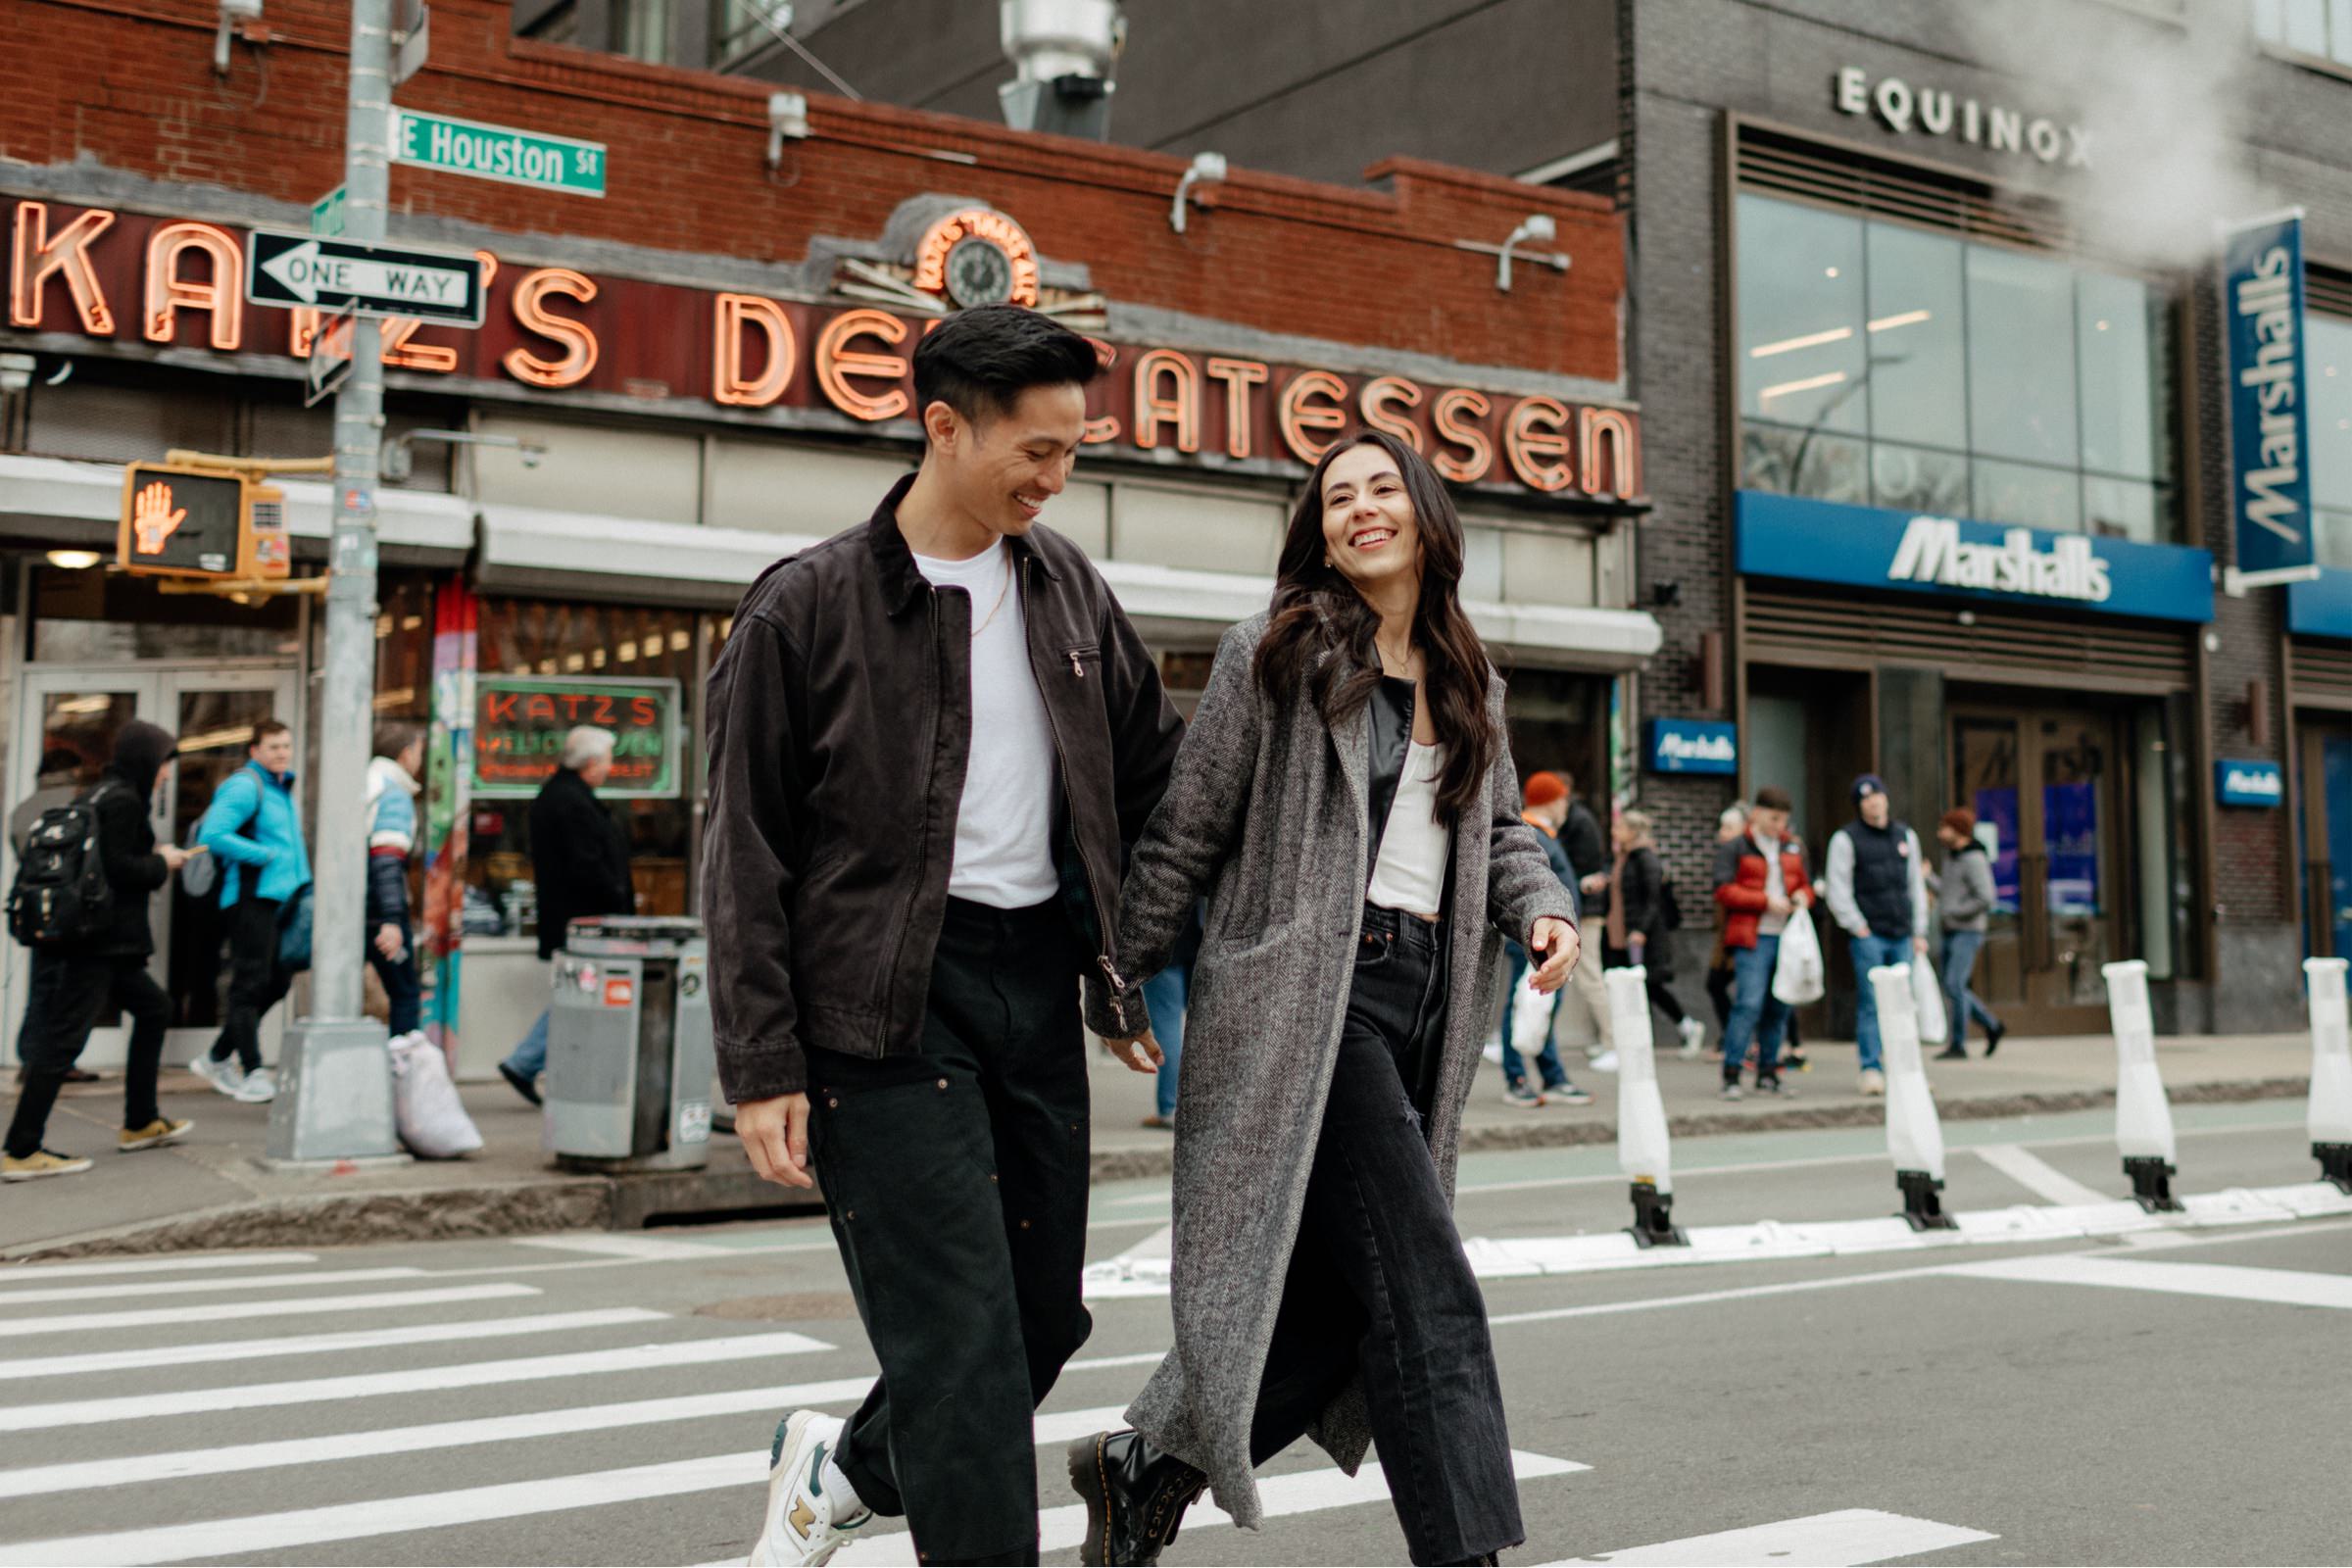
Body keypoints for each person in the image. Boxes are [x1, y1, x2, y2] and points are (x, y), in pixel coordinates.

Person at [709, 304, 1184, 1568]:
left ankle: (845, 1468)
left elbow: (1155, 787)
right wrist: (762, 1063)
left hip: (1031, 981)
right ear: (942, 426)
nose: (1056, 476)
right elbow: (742, 851)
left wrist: (1138, 968)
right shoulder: (804, 609)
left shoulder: (1070, 590)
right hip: (881, 1008)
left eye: (1073, 451)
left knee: (1039, 1319)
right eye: (1034, 450)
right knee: (963, 1351)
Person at [1065, 430, 1579, 1568]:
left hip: (1420, 1007)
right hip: (1310, 999)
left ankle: (1150, 1465)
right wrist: (1118, 982)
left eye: (1382, 488)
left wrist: (1543, 903)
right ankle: (1470, 1557)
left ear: (1424, 511)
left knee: (1355, 1303)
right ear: (1321, 532)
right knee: (1427, 1285)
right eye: (1337, 496)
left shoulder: (1467, 675)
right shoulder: (1280, 653)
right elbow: (1188, 828)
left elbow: (1495, 835)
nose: (1360, 509)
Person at [3, 722, 194, 1180]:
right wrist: (161, 862)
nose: (168, 774)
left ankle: (141, 1121)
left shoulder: (97, 794)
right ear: (148, 760)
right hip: (99, 943)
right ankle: (22, 1149)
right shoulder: (124, 800)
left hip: (104, 942)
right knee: (63, 1040)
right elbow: (117, 867)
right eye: (166, 762)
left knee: (154, 1009)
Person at [498, 725, 635, 1105]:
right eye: (607, 760)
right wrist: (615, 899)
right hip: (587, 922)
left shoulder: (560, 797)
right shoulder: (571, 802)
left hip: (576, 919)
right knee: (581, 992)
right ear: (591, 763)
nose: (610, 768)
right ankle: (526, 1061)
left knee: (579, 992)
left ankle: (530, 1062)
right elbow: (586, 866)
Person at [191, 719, 310, 1104]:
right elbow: (213, 835)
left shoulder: (279, 788)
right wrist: (264, 856)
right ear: (254, 750)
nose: (282, 753)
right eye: (273, 746)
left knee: (277, 981)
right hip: (250, 898)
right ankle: (253, 1070)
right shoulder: (246, 785)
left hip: (281, 899)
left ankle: (217, 1056)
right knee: (249, 982)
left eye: (286, 745)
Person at [1822, 773, 1930, 1096]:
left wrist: (1919, 929)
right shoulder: (1846, 839)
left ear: (1886, 798)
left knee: (1904, 1003)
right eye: (1866, 798)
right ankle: (1871, 1068)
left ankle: (1906, 1069)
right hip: (1870, 934)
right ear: (1859, 805)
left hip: (1902, 933)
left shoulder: (1905, 835)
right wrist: (1857, 925)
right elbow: (1837, 887)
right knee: (1872, 1002)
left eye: (1877, 795)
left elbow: (1915, 886)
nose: (1873, 802)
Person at [1496, 771, 1591, 1108]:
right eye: (1564, 798)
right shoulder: (1534, 834)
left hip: (1543, 938)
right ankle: (1519, 1078)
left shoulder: (1541, 835)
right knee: (1525, 1006)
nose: (1566, 806)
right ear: (1553, 799)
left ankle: (1549, 1076)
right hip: (1536, 939)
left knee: (1539, 1007)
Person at [11, 747, 103, 1088]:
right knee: (66, 987)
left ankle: (31, 1056)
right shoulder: (80, 804)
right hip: (69, 906)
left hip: (36, 907)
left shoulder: (23, 810)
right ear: (74, 771)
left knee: (41, 984)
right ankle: (54, 1061)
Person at [1713, 785, 1813, 1101]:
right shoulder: (1737, 846)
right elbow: (1723, 890)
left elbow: (1807, 886)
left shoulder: (1792, 847)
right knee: (1749, 1003)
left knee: (1779, 1005)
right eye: (1773, 819)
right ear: (1756, 814)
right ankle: (1732, 1072)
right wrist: (1764, 901)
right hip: (1752, 936)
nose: (1778, 826)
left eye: (1783, 820)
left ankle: (1769, 1071)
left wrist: (1801, 897)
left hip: (1786, 937)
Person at [1537, 768, 1619, 1071]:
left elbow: (1581, 871)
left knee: (1590, 976)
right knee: (1588, 977)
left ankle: (1614, 1042)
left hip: (1585, 912)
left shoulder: (1579, 824)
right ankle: (1608, 1041)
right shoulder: (1576, 822)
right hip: (1581, 910)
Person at [1607, 808, 1703, 1054]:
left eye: (1619, 828)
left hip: (1643, 935)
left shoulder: (1646, 859)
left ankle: (1686, 1025)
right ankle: (1674, 1029)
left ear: (1632, 832)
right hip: (1623, 933)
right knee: (1638, 987)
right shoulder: (1626, 858)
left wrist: (1640, 929)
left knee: (1649, 986)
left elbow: (1653, 900)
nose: (1614, 832)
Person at [366, 721, 427, 1043]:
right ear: (405, 754)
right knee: (405, 994)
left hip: (359, 911)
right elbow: (387, 860)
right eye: (419, 751)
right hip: (380, 914)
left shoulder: (367, 783)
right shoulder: (393, 794)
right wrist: (391, 919)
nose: (420, 760)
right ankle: (401, 1075)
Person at [1931, 808, 2006, 1060]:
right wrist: (1928, 877)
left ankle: (1958, 1044)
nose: (1940, 833)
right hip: (1951, 929)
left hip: (1968, 931)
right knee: (1952, 985)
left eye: (1944, 828)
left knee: (1954, 984)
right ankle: (1992, 1025)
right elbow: (1948, 893)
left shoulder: (1974, 858)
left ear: (1958, 830)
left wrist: (1956, 913)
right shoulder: (1951, 857)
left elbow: (1986, 897)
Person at [1137, 902, 1203, 1130]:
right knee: (1201, 1024)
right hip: (1195, 941)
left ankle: (1170, 1107)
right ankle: (1199, 1105)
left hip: (1162, 949)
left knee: (1166, 1026)